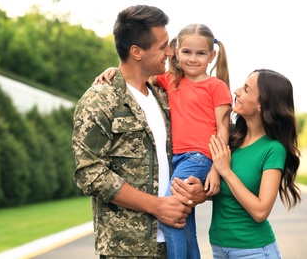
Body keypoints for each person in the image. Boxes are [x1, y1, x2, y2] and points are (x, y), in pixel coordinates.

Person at [72, 5, 207, 258]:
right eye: (163, 46)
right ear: (136, 52)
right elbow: (89, 172)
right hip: (127, 249)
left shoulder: (166, 97)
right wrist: (157, 207)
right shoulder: (100, 100)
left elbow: (194, 148)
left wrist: (202, 190)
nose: (170, 52)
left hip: (175, 243)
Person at [93, 23, 233, 259]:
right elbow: (134, 74)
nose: (192, 59)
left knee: (169, 213)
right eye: (187, 52)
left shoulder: (216, 87)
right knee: (183, 221)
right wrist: (113, 71)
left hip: (199, 157)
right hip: (176, 159)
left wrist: (216, 170)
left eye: (200, 53)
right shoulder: (171, 80)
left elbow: (223, 130)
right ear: (176, 52)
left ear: (212, 55)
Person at [206, 69, 302, 258]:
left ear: (262, 104)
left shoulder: (273, 149)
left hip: (254, 251)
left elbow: (260, 211)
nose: (236, 91)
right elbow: (220, 192)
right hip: (219, 248)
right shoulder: (231, 140)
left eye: (247, 89)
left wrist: (226, 171)